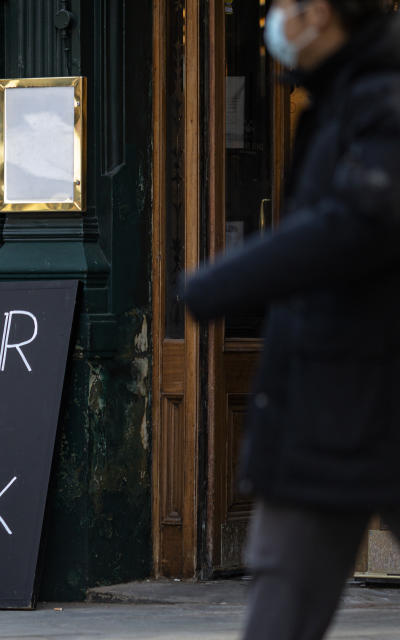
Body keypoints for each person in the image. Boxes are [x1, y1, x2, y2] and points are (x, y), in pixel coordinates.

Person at [183, 2, 400, 639]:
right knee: (284, 594)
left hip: (351, 390)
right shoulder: (338, 101)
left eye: (284, 5)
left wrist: (226, 279)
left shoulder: (380, 103)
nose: (273, 21)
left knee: (284, 600)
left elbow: (354, 225)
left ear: (323, 13)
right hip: (336, 395)